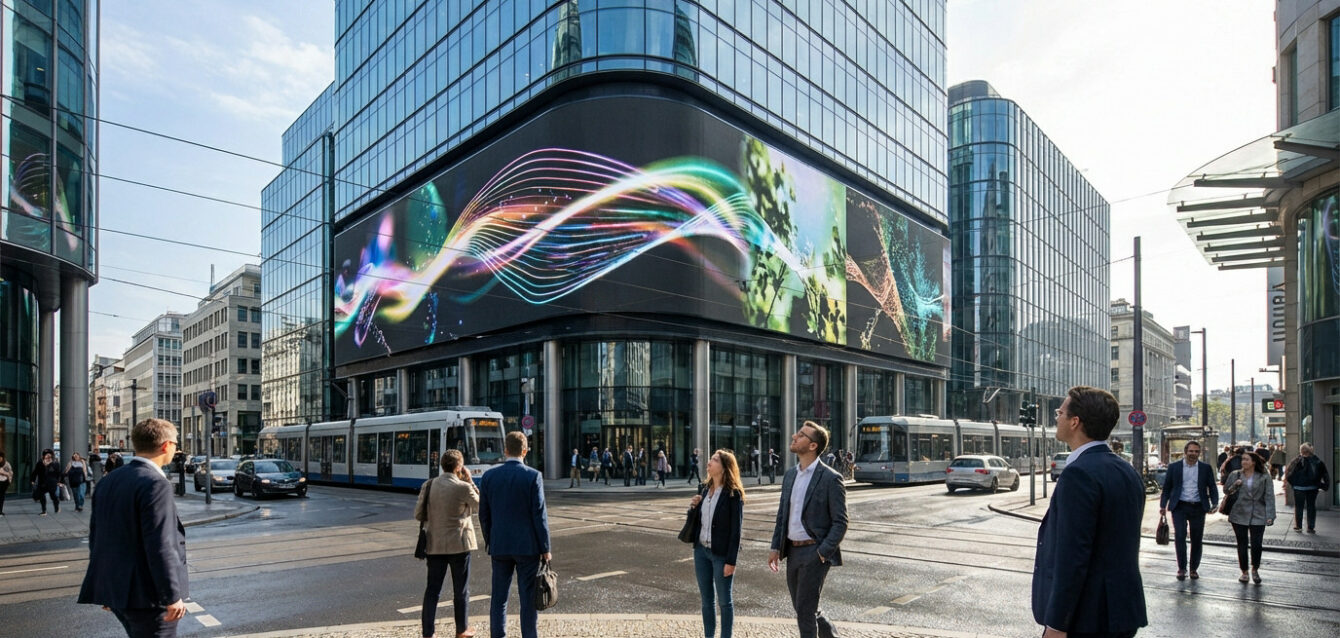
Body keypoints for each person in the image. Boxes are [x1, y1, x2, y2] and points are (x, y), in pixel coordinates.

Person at [1033, 386, 1146, 638]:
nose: (1057, 418)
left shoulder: (1078, 474)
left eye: (1059, 413)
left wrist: (1057, 624)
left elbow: (1072, 556)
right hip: (1121, 611)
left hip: (1087, 617)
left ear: (1075, 422)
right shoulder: (1126, 470)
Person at [78, 418, 188, 637]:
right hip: (148, 597)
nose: (176, 450)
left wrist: (109, 589)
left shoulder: (109, 480)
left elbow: (98, 537)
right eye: (176, 444)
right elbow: (161, 545)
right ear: (165, 445)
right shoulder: (156, 484)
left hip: (121, 592)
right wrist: (172, 596)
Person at [768, 421, 847, 638]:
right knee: (803, 607)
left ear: (813, 446)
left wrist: (822, 553)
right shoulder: (790, 475)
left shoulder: (831, 478)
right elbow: (782, 515)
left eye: (801, 435)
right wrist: (776, 547)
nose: (794, 436)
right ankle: (831, 635)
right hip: (792, 551)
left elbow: (840, 522)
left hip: (814, 551)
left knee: (804, 610)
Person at [479, 432, 551, 638]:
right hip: (527, 547)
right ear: (525, 451)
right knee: (527, 597)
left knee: (499, 598)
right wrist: (545, 548)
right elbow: (540, 515)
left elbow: (483, 514)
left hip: (499, 545)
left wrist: (491, 539)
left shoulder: (489, 476)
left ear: (505, 450)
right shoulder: (532, 476)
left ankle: (498, 635)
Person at [416, 449, 480, 638]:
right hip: (460, 545)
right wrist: (470, 481)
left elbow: (418, 514)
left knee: (432, 590)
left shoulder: (428, 485)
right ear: (459, 467)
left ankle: (428, 633)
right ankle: (461, 630)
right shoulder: (463, 487)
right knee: (461, 590)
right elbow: (480, 505)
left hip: (435, 544)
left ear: (442, 466)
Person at [687, 450, 745, 638]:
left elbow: (736, 531)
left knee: (724, 601)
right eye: (711, 459)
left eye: (714, 460)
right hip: (701, 551)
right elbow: (696, 521)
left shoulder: (733, 494)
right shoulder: (703, 488)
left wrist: (731, 561)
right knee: (706, 600)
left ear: (724, 467)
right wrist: (693, 507)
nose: (709, 462)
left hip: (721, 555)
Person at [1159, 440, 1218, 580]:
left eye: (1196, 451)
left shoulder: (1205, 468)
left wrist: (1215, 503)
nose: (1193, 454)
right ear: (1185, 452)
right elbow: (1167, 488)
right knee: (1180, 536)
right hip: (1179, 506)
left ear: (1199, 453)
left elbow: (1212, 487)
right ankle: (1181, 568)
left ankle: (1193, 569)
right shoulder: (1174, 467)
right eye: (1191, 451)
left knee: (1197, 539)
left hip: (1198, 507)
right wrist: (1163, 505)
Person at [1223, 450, 1274, 584]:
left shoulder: (1264, 476)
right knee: (1242, 543)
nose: (1243, 462)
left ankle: (1255, 569)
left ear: (1254, 462)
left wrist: (1270, 515)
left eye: (1247, 459)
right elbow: (1226, 490)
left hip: (1258, 513)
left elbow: (1269, 495)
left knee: (1257, 544)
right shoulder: (1235, 474)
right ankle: (1244, 571)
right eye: (1243, 459)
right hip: (1239, 513)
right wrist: (1236, 484)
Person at [1284, 443, 1330, 533]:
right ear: (1311, 451)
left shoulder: (1296, 461)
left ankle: (1298, 526)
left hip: (1298, 488)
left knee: (1299, 507)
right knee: (1311, 507)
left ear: (1301, 450)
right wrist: (1324, 486)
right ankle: (1310, 527)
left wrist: (1294, 484)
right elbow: (1325, 474)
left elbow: (1288, 473)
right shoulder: (1317, 461)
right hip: (1312, 487)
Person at [29, 449, 62, 515]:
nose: (48, 456)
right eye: (46, 455)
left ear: (52, 456)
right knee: (41, 496)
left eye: (49, 455)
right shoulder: (40, 463)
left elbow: (58, 474)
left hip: (52, 483)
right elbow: (35, 472)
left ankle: (57, 507)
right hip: (42, 483)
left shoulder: (55, 463)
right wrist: (32, 480)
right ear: (44, 456)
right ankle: (44, 511)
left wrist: (59, 481)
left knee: (53, 496)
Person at [0, 451, 12, 516]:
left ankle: (0, 511)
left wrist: (8, 479)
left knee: (2, 497)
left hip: (4, 482)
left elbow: (10, 472)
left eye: (0, 457)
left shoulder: (6, 464)